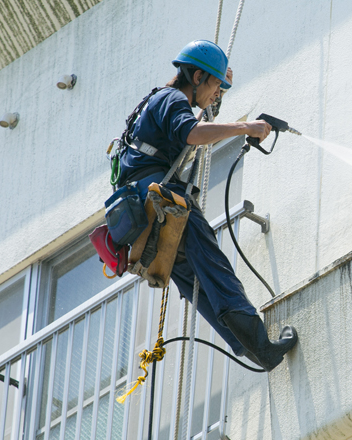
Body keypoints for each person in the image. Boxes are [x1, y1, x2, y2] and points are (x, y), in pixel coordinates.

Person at [118, 40, 298, 372]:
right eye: (213, 84)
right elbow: (192, 132)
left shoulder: (156, 101)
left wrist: (220, 92)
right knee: (215, 270)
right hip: (165, 201)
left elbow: (193, 123)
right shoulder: (172, 99)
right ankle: (260, 344)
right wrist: (247, 127)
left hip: (141, 213)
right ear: (197, 76)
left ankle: (248, 347)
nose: (215, 93)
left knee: (194, 282)